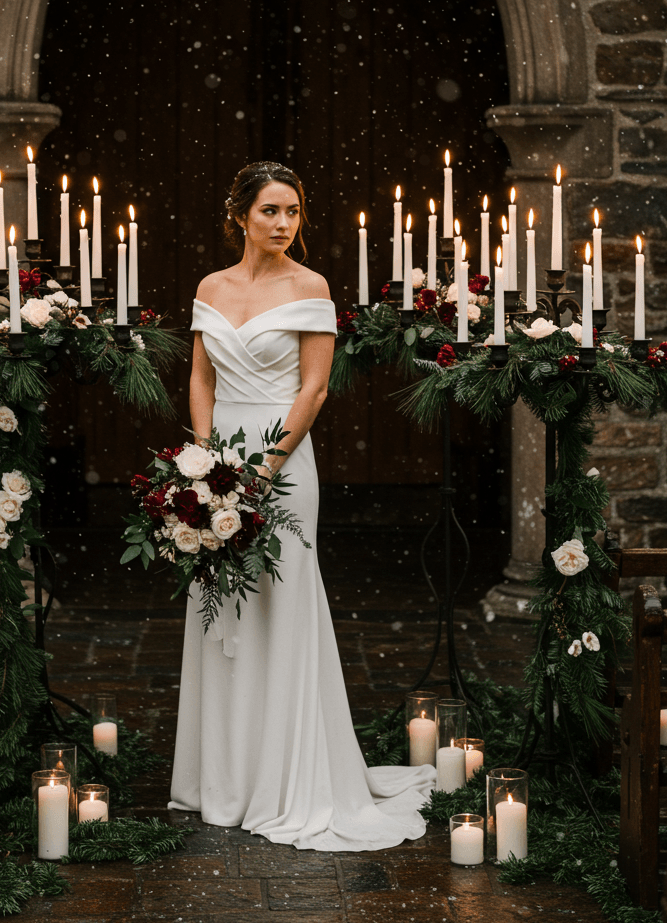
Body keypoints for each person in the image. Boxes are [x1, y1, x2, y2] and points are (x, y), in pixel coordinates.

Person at [168, 160, 435, 850]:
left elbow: (313, 391)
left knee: (280, 600)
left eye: (293, 211)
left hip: (283, 460)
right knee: (219, 604)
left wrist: (261, 469)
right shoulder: (211, 287)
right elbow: (199, 376)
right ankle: (223, 776)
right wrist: (204, 461)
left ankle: (285, 777)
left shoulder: (309, 285)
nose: (284, 224)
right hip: (220, 455)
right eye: (270, 212)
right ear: (240, 215)